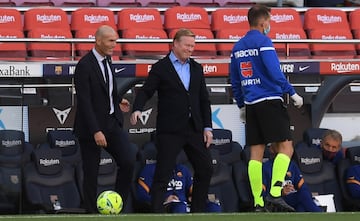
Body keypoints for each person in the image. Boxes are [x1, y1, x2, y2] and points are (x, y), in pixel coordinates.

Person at [130, 28, 213, 213]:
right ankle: (157, 214)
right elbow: (146, 91)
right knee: (162, 174)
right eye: (187, 45)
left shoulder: (196, 68)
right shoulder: (161, 67)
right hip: (170, 130)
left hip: (194, 129)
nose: (190, 49)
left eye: (193, 46)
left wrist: (208, 128)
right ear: (175, 43)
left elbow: (204, 100)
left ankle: (198, 212)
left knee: (205, 168)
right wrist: (137, 108)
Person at [229, 5, 304, 212]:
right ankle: (275, 193)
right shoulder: (264, 41)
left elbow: (235, 80)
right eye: (269, 21)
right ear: (263, 22)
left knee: (256, 153)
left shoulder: (237, 47)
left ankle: (258, 203)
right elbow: (274, 72)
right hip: (270, 100)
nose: (269, 25)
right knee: (286, 148)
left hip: (251, 104)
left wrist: (242, 104)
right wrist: (292, 92)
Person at [73, 25, 136, 213]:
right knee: (91, 172)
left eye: (116, 41)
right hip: (91, 128)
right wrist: (96, 131)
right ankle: (91, 212)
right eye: (110, 41)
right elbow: (84, 102)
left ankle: (117, 206)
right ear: (98, 40)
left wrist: (117, 100)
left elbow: (105, 89)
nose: (114, 45)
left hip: (112, 123)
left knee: (128, 161)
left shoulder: (108, 60)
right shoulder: (84, 65)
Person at [136, 163, 221, 213]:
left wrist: (197, 197)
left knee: (213, 207)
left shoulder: (182, 169)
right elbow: (141, 196)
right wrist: (163, 200)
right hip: (165, 206)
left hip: (185, 204)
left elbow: (194, 191)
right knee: (180, 207)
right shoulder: (150, 169)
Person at [262, 144, 323, 212]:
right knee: (302, 197)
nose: (285, 147)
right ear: (271, 149)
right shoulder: (265, 167)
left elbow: (302, 187)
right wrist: (280, 192)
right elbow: (263, 193)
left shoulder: (292, 165)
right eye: (280, 145)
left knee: (301, 204)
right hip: (278, 200)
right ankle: (321, 215)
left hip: (292, 198)